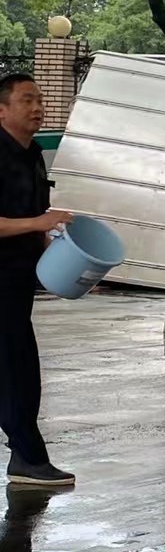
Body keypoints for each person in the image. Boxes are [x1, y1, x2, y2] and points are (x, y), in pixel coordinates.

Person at [0, 74, 74, 487]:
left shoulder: (34, 154)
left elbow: (37, 219)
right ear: (2, 110)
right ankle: (28, 457)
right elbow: (31, 220)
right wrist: (37, 223)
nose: (38, 107)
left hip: (19, 278)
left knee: (19, 368)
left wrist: (60, 255)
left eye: (40, 100)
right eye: (27, 100)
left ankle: (25, 458)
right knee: (16, 369)